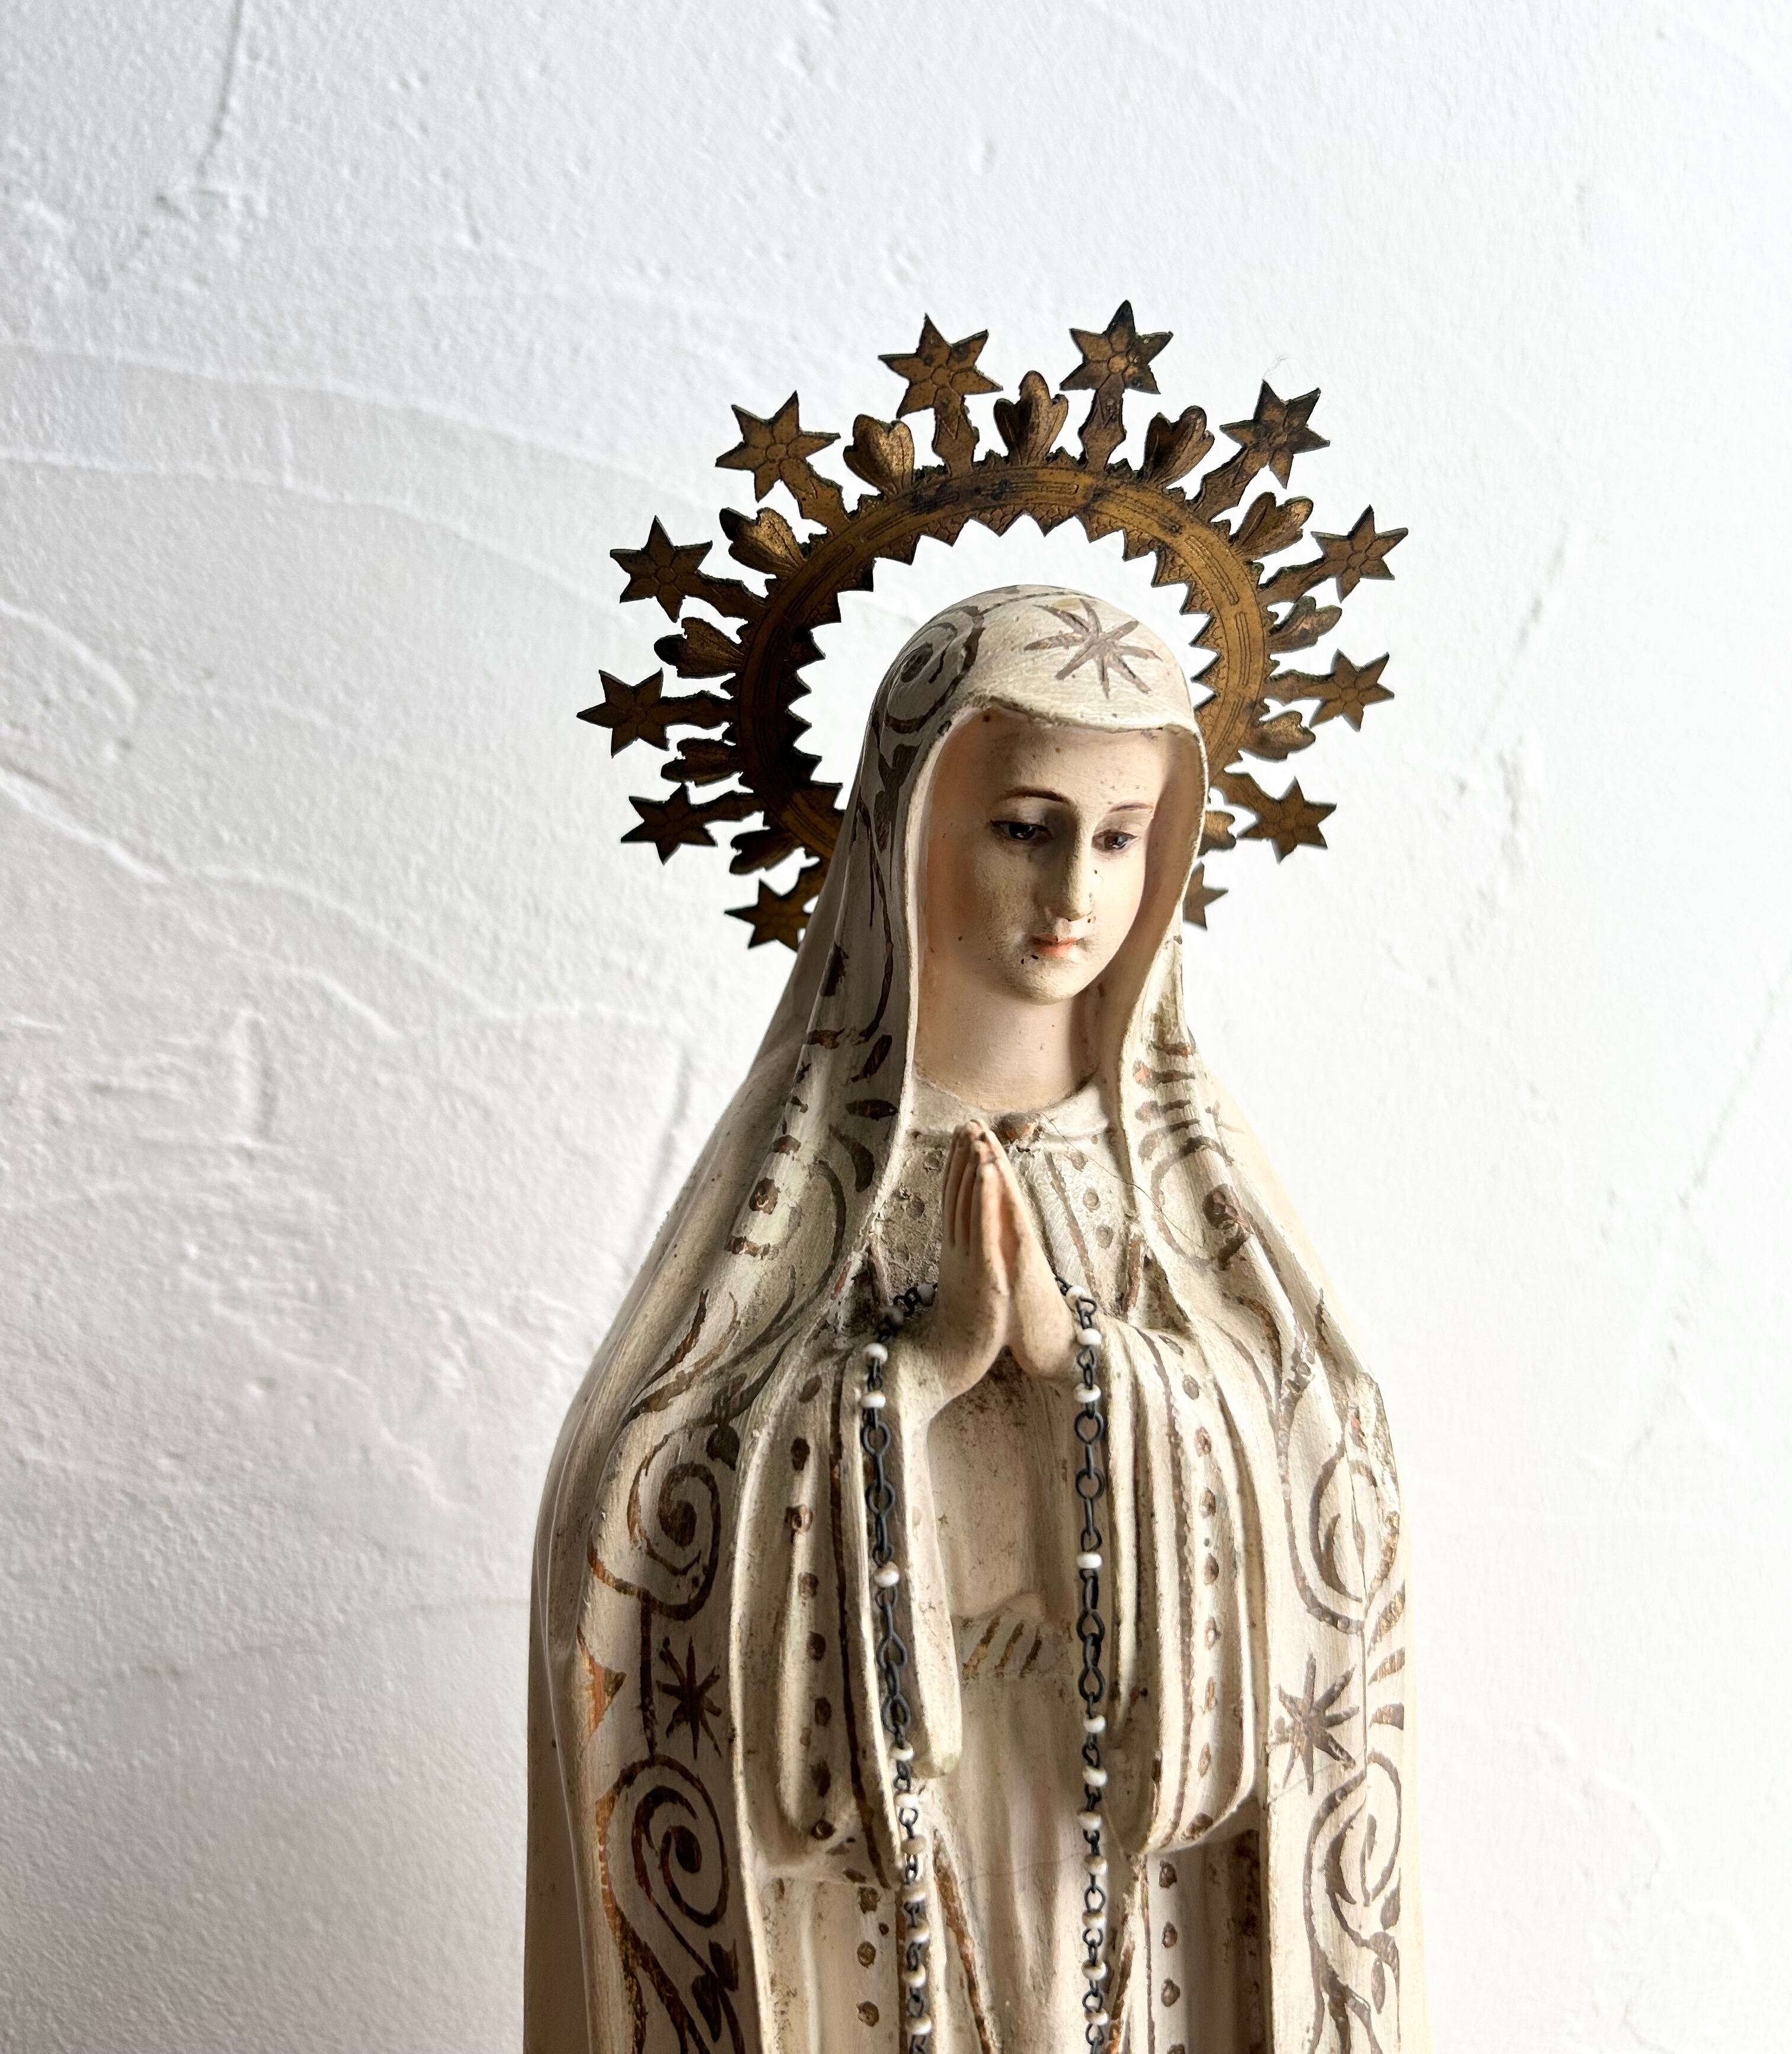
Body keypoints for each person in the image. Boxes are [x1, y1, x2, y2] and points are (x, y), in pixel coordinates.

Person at [527, 586, 1428, 2054]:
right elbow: (642, 1503)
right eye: (1025, 826)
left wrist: (1094, 1371)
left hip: (1127, 1818)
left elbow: (1328, 1474)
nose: (1076, 889)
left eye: (1121, 838)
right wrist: (909, 1381)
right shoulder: (810, 1180)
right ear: (914, 827)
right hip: (885, 1832)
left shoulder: (1186, 1181)